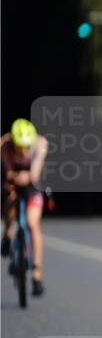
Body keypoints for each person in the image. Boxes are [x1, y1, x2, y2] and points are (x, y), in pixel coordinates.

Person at [1, 119, 48, 296]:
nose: (22, 151)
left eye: (25, 147)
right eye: (18, 147)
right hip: (12, 180)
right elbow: (7, 171)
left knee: (32, 223)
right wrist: (11, 178)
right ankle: (7, 233)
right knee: (10, 201)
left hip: (31, 183)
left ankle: (36, 273)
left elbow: (35, 174)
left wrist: (26, 177)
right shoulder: (4, 146)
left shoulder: (40, 144)